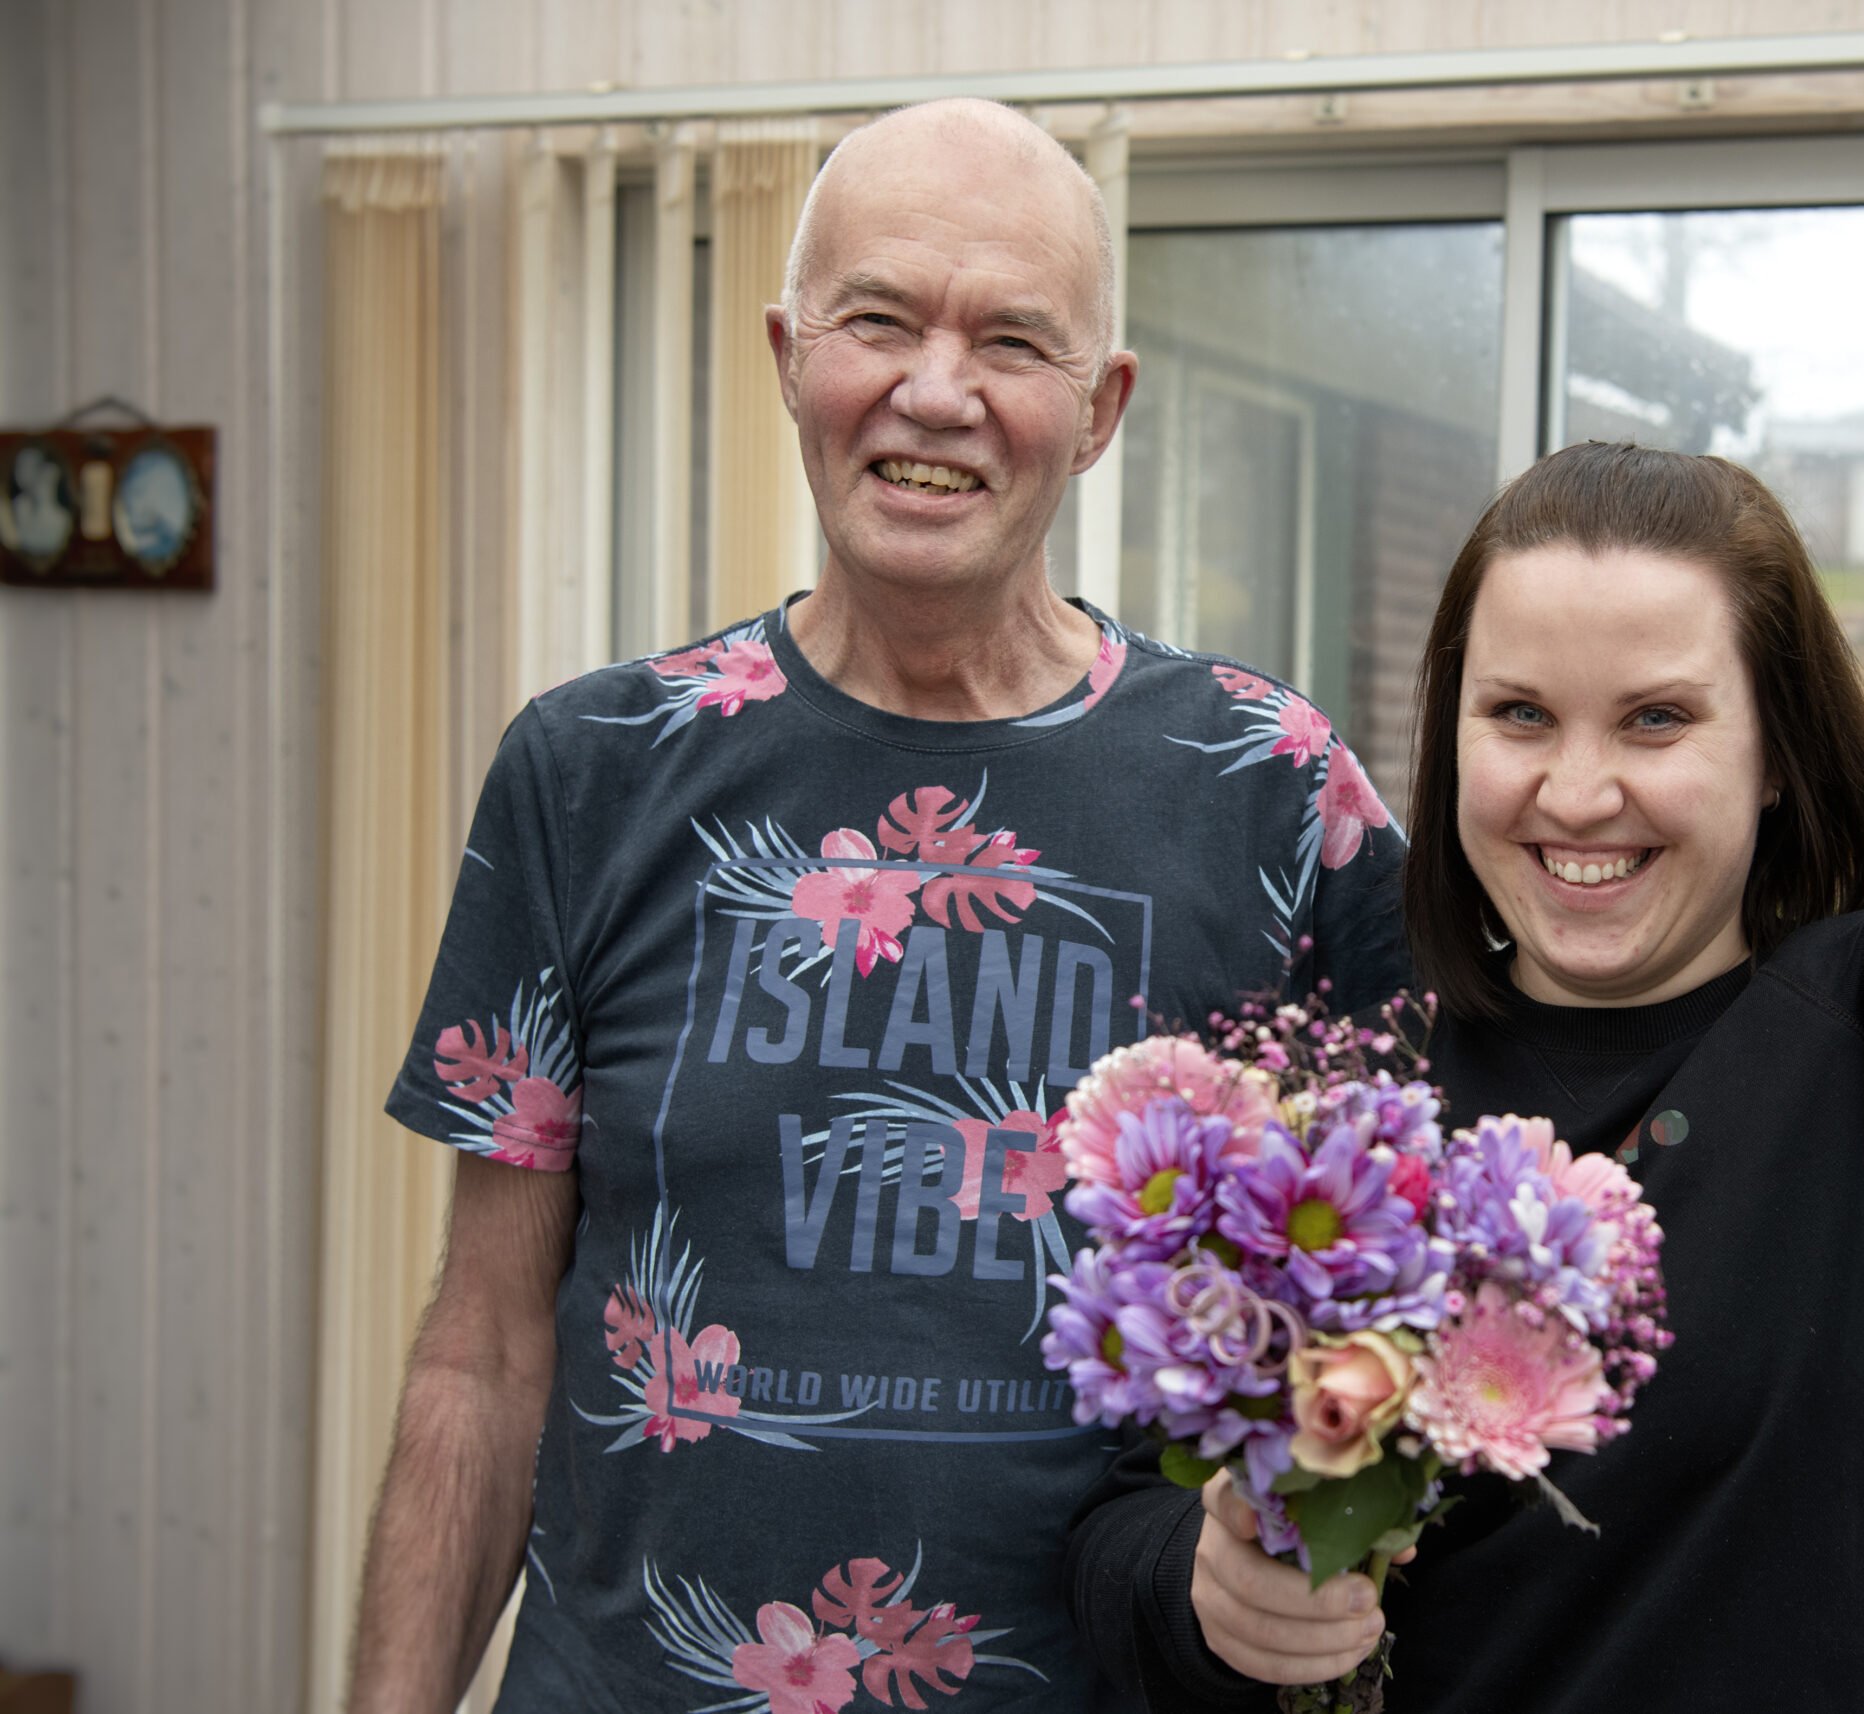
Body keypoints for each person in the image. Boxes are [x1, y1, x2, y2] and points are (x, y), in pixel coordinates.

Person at [1066, 54, 1864, 1709]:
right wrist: (1195, 1587)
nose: (1578, 790)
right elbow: (1118, 1505)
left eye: (1660, 719)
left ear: (1775, 750)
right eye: (1520, 714)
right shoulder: (1337, 1119)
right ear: (1449, 730)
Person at [347, 98, 1403, 1713]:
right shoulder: (591, 769)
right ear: (787, 354)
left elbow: (1399, 1296)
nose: (935, 391)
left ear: (1102, 405)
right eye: (879, 319)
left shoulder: (1271, 786)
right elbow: (484, 1350)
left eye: (1012, 340)